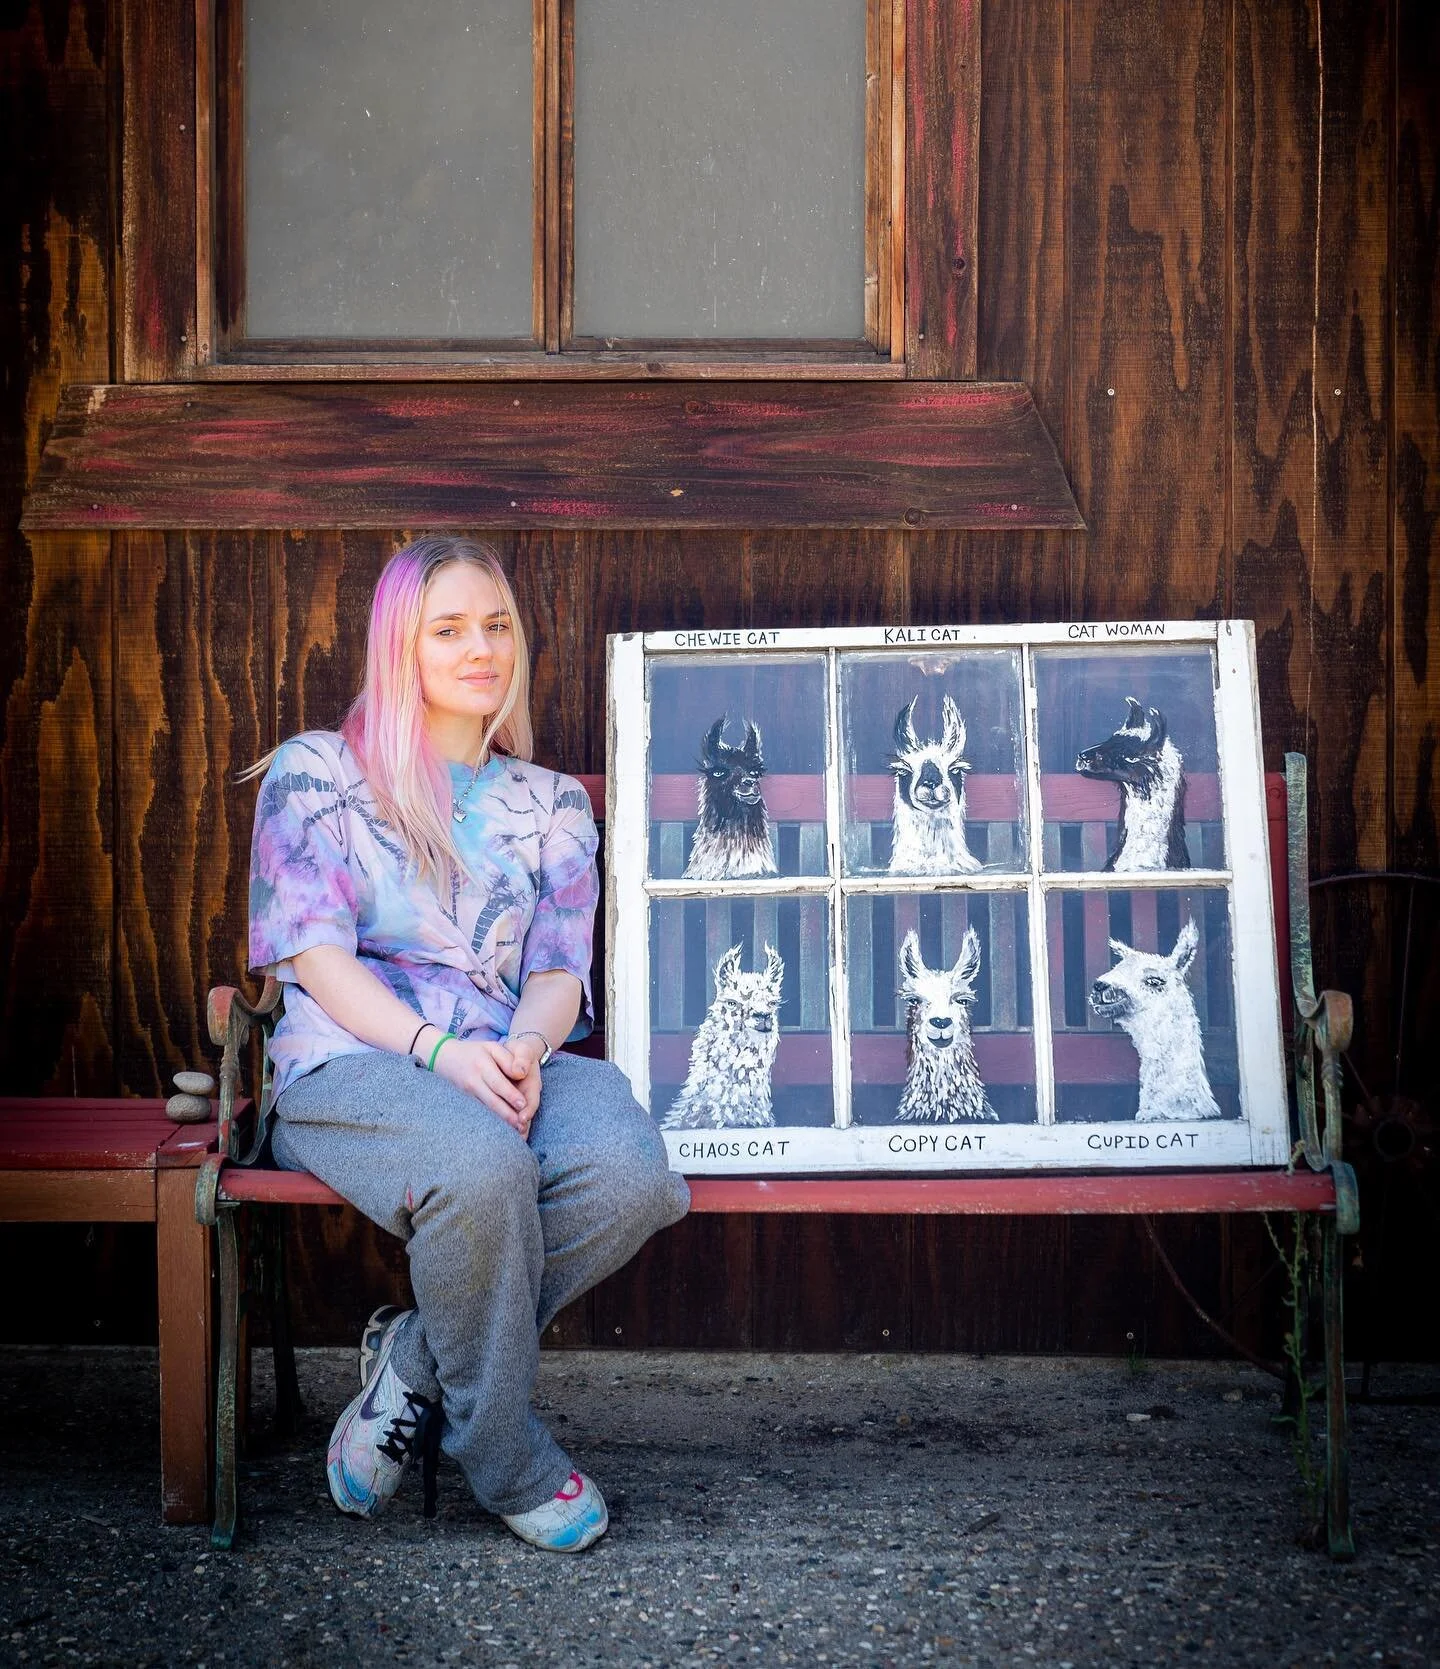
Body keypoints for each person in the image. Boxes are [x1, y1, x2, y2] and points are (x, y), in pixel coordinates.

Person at [246, 535, 689, 1552]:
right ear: (400, 646)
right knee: (483, 1168)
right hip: (353, 1062)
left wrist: (527, 1050)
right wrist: (442, 1053)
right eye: (448, 628)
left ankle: (415, 1362)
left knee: (632, 1173)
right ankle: (506, 1458)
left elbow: (555, 973)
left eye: (495, 625)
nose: (480, 648)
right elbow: (318, 961)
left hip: (503, 1059)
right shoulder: (316, 774)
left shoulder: (550, 804)